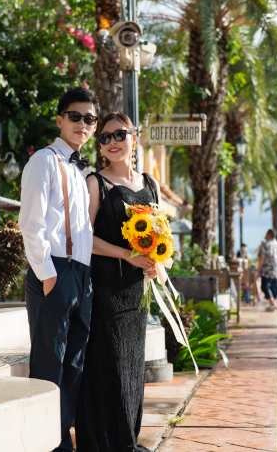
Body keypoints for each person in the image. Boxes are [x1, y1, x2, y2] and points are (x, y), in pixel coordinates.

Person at [19, 87, 99, 452]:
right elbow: (31, 224)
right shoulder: (44, 161)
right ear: (60, 119)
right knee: (49, 364)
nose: (83, 124)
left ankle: (60, 440)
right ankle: (45, 443)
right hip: (55, 273)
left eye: (90, 119)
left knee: (74, 366)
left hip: (81, 276)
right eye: (76, 116)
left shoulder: (81, 172)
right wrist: (48, 275)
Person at [76, 113, 160, 452]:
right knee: (109, 367)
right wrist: (127, 256)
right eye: (105, 137)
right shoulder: (96, 183)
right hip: (107, 290)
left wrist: (156, 264)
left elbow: (159, 235)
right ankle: (108, 444)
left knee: (131, 368)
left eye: (119, 135)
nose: (112, 142)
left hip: (137, 293)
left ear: (134, 138)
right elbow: (84, 239)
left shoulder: (150, 184)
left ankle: (127, 439)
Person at [257, 229, 277, 311]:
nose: (265, 236)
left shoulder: (265, 245)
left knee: (265, 286)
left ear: (269, 234)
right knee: (274, 287)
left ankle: (272, 304)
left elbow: (262, 257)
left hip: (267, 270)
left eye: (266, 234)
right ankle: (273, 304)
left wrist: (258, 268)